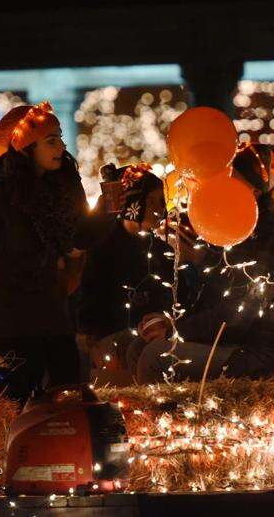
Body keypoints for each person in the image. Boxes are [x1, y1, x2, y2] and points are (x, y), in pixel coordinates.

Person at [131, 144, 274, 383]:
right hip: (239, 343)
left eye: (231, 181)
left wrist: (174, 331)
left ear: (254, 190)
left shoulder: (268, 240)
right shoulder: (238, 232)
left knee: (155, 357)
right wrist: (170, 322)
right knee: (136, 346)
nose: (221, 188)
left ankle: (165, 407)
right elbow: (216, 300)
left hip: (267, 358)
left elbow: (238, 316)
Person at [0, 102, 92, 401]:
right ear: (25, 147)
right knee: (19, 400)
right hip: (12, 320)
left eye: (60, 138)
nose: (61, 147)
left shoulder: (65, 186)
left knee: (68, 396)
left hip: (55, 314)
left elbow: (79, 240)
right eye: (51, 141)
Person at [73, 163, 170, 383]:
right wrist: (95, 339)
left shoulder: (162, 251)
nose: (160, 209)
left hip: (148, 341)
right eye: (153, 201)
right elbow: (89, 300)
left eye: (161, 201)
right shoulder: (102, 247)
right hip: (109, 346)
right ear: (135, 202)